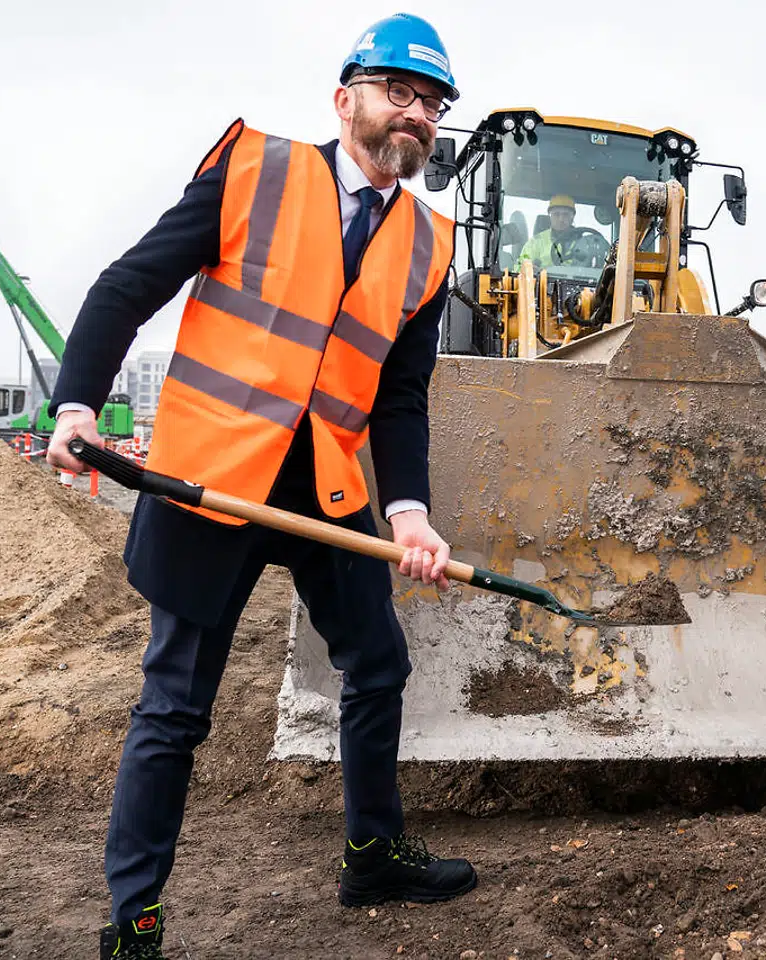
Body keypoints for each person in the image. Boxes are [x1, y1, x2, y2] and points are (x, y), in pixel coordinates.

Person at [44, 15, 477, 958]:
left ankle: (371, 853)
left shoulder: (429, 245)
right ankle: (134, 923)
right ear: (346, 98)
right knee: (175, 707)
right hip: (212, 481)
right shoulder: (255, 171)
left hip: (323, 488)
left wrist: (409, 513)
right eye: (398, 92)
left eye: (433, 103)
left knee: (379, 664)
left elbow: (400, 399)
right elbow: (125, 288)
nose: (416, 114)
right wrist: (77, 404)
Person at [518, 194, 607, 268]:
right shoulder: (535, 243)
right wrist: (527, 269)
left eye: (566, 215)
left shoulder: (587, 245)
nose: (561, 219)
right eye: (556, 214)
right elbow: (519, 268)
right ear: (550, 216)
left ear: (572, 217)